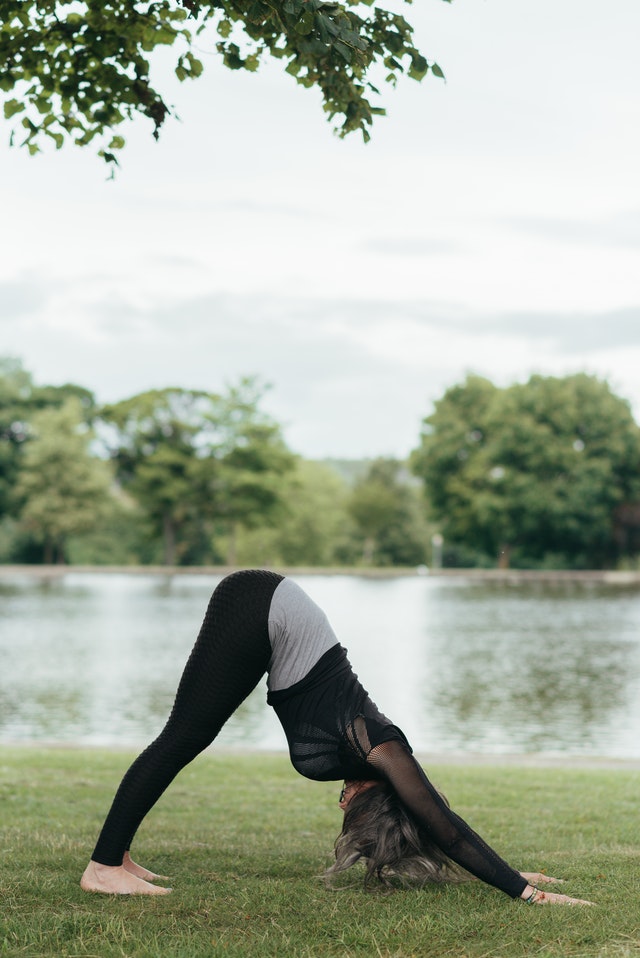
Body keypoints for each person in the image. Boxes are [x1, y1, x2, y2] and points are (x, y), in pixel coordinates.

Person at [81, 569, 592, 905]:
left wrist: (513, 869)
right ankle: (103, 867)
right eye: (353, 806)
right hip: (262, 605)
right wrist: (527, 892)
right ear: (377, 795)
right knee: (185, 735)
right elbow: (447, 827)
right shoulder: (382, 748)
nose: (343, 802)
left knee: (188, 735)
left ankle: (118, 858)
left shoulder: (377, 758)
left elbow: (437, 819)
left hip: (270, 618)